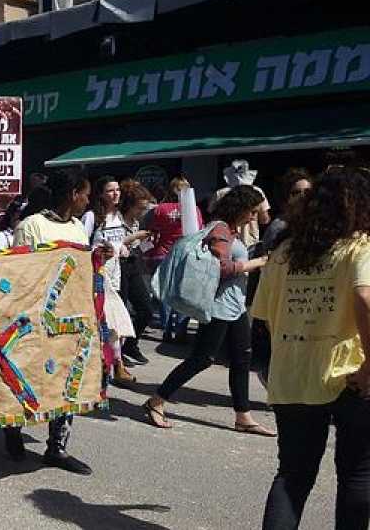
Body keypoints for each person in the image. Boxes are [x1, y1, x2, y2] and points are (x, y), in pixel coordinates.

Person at [251, 165, 370, 530]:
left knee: (293, 476)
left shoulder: (284, 252)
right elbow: (365, 300)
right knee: (357, 475)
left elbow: (266, 317)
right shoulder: (359, 246)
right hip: (350, 374)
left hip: (295, 373)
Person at [143, 185, 274, 435]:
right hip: (218, 307)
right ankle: (156, 401)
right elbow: (221, 269)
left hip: (233, 306)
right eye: (252, 212)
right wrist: (256, 263)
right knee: (202, 359)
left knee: (242, 359)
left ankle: (243, 416)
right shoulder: (220, 229)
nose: (253, 218)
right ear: (241, 208)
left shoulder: (229, 230)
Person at [5, 167, 96, 475]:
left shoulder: (79, 229)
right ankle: (13, 428)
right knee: (28, 377)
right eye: (85, 193)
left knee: (67, 380)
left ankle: (57, 446)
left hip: (69, 319)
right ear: (73, 194)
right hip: (34, 316)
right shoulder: (33, 226)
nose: (88, 200)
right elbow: (20, 271)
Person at [251, 168, 312, 387]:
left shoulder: (319, 225)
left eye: (308, 191)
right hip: (286, 300)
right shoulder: (279, 227)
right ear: (287, 198)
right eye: (297, 192)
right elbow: (269, 269)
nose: (303, 196)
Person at [82, 176, 150, 367]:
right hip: (99, 274)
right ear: (101, 194)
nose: (116, 194)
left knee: (122, 317)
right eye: (111, 190)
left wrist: (125, 247)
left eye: (117, 190)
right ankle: (109, 362)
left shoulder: (119, 216)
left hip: (117, 271)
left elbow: (119, 243)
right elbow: (83, 244)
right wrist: (126, 241)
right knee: (107, 321)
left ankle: (117, 359)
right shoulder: (92, 217)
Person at [142, 177, 205, 344]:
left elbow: (154, 232)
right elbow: (199, 232)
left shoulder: (161, 209)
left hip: (163, 253)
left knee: (166, 293)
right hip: (185, 254)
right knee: (183, 294)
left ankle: (166, 329)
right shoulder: (194, 209)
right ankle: (180, 329)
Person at [117, 180, 156, 368]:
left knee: (146, 309)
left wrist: (144, 242)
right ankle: (117, 353)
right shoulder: (116, 220)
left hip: (133, 263)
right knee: (121, 309)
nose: (141, 212)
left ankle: (131, 344)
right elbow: (114, 242)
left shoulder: (136, 222)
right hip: (118, 265)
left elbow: (136, 245)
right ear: (129, 206)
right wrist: (135, 237)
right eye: (139, 208)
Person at [209, 160, 271, 254]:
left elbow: (212, 218)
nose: (253, 216)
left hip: (226, 241)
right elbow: (265, 220)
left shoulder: (219, 193)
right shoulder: (257, 192)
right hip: (249, 243)